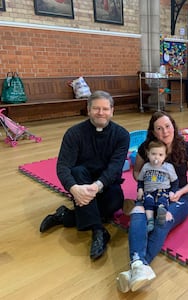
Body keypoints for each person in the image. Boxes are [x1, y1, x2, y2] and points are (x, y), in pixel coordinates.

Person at [39, 90, 130, 261]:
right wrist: (74, 189)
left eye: (105, 109)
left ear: (112, 111)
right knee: (77, 171)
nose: (100, 113)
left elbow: (114, 168)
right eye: (96, 108)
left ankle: (65, 216)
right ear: (88, 110)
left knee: (113, 205)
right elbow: (63, 166)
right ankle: (99, 231)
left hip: (105, 184)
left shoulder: (121, 135)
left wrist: (96, 186)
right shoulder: (74, 133)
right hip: (81, 183)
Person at [116, 111, 188, 293]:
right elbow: (136, 172)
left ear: (174, 126)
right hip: (150, 195)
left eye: (168, 126)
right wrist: (145, 185)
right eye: (159, 128)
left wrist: (180, 192)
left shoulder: (185, 147)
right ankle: (139, 267)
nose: (165, 132)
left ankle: (136, 268)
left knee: (161, 222)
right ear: (153, 132)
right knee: (137, 216)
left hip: (178, 197)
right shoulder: (146, 148)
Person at [136, 140, 179, 232]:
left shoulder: (168, 167)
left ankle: (161, 215)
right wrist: (140, 189)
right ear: (148, 154)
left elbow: (175, 182)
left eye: (160, 155)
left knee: (162, 201)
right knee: (148, 203)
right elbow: (140, 180)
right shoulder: (146, 166)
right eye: (153, 154)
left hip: (163, 191)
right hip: (148, 191)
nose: (156, 157)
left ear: (165, 156)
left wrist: (172, 192)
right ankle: (150, 220)